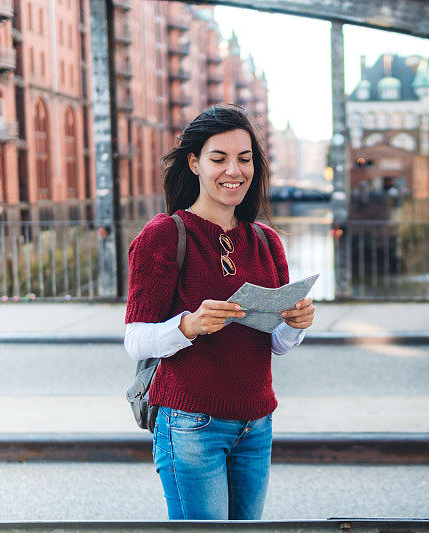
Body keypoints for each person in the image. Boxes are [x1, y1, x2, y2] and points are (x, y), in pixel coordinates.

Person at [123, 104, 315, 520]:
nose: (234, 170)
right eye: (219, 158)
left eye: (244, 159)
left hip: (257, 423)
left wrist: (294, 325)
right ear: (194, 163)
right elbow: (134, 339)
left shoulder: (266, 241)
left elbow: (276, 346)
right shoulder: (164, 235)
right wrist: (188, 326)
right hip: (191, 425)